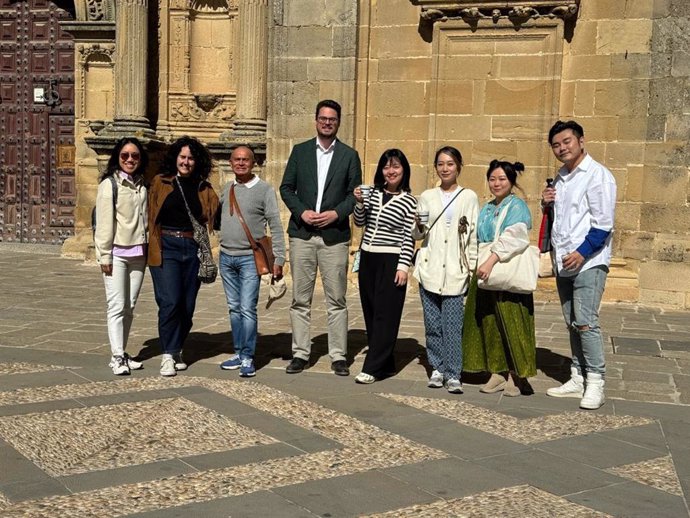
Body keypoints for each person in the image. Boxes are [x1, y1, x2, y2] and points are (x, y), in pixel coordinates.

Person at [279, 99, 362, 376]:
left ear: (338, 122)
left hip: (334, 237)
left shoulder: (349, 156)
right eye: (323, 118)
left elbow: (354, 194)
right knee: (300, 299)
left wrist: (335, 214)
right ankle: (300, 353)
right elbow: (286, 187)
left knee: (336, 299)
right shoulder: (300, 151)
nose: (328, 123)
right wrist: (301, 212)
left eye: (333, 119)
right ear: (316, 120)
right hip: (302, 235)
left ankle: (338, 355)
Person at [543, 120, 616, 410]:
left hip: (589, 261)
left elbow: (603, 223)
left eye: (566, 142)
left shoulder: (598, 175)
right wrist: (545, 203)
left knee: (586, 321)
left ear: (581, 141)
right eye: (556, 145)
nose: (562, 148)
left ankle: (596, 380)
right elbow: (563, 219)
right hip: (564, 261)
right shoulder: (561, 176)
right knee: (572, 322)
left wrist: (583, 252)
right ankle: (577, 376)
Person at [463, 160, 537, 396]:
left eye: (502, 179)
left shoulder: (517, 207)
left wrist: (491, 260)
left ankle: (518, 375)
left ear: (512, 181)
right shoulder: (486, 208)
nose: (496, 183)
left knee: (512, 322)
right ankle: (497, 371)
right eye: (493, 179)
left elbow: (516, 237)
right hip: (484, 269)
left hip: (506, 270)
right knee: (489, 322)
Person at [148, 136, 219, 377]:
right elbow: (147, 213)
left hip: (192, 248)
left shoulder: (204, 188)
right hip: (165, 245)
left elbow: (216, 218)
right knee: (170, 301)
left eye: (190, 158)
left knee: (187, 306)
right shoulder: (160, 182)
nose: (186, 162)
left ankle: (177, 347)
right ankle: (168, 354)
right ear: (175, 158)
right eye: (182, 157)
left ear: (197, 162)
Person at [412, 146, 478, 393]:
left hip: (455, 270)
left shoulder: (468, 197)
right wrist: (418, 224)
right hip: (429, 269)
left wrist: (471, 268)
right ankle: (437, 367)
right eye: (440, 164)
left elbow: (472, 236)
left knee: (452, 324)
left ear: (458, 166)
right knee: (432, 324)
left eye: (450, 163)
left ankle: (453, 372)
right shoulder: (427, 196)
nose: (445, 168)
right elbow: (418, 235)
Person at [217, 146, 286, 377]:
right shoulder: (227, 188)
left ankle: (248, 356)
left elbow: (275, 225)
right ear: (230, 162)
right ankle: (238, 352)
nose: (241, 163)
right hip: (226, 257)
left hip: (249, 258)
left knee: (247, 308)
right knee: (233, 308)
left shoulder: (264, 189)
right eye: (236, 159)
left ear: (253, 163)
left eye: (245, 159)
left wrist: (279, 257)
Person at [352, 149, 417, 384]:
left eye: (396, 166)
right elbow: (360, 223)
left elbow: (408, 237)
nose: (391, 171)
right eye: (387, 167)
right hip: (368, 257)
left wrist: (403, 266)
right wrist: (359, 203)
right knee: (370, 311)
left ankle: (372, 366)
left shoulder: (410, 201)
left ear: (404, 170)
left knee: (386, 314)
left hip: (391, 260)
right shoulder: (372, 194)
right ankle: (386, 361)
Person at [94, 137, 149, 375]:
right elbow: (104, 224)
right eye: (125, 155)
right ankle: (116, 357)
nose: (129, 160)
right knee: (116, 306)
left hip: (139, 253)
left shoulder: (142, 184)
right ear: (117, 157)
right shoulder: (110, 185)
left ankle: (122, 352)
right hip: (116, 254)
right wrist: (104, 256)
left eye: (134, 156)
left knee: (129, 306)